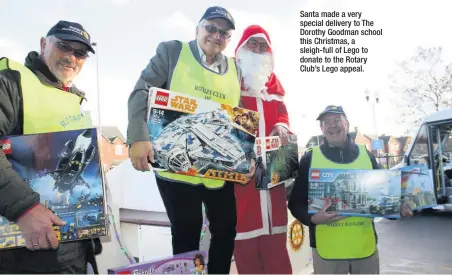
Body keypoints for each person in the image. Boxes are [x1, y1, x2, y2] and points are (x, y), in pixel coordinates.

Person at [127, 6, 243, 274]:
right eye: (211, 28)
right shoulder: (172, 52)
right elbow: (141, 91)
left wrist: (243, 158)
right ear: (197, 29)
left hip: (217, 170)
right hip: (177, 167)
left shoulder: (235, 70)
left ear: (229, 39)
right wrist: (137, 138)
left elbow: (236, 122)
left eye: (224, 32)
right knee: (186, 235)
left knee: (226, 230)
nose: (216, 35)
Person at [0, 20, 102, 274]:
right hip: (23, 253)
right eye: (64, 47)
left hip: (72, 249)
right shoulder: (12, 81)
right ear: (44, 44)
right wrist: (24, 209)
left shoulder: (73, 98)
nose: (71, 57)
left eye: (80, 53)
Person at [288, 105, 413, 274]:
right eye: (327, 122)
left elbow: (383, 198)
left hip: (364, 249)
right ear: (321, 128)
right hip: (327, 252)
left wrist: (398, 208)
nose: (333, 125)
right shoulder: (310, 158)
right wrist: (313, 219)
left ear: (347, 124)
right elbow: (295, 203)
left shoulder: (367, 155)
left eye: (337, 120)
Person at [232, 25, 293, 274]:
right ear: (242, 49)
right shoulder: (231, 83)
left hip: (273, 179)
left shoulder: (274, 89)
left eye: (262, 45)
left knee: (276, 249)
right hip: (243, 182)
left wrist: (281, 125)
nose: (258, 50)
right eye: (252, 44)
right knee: (246, 247)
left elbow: (282, 113)